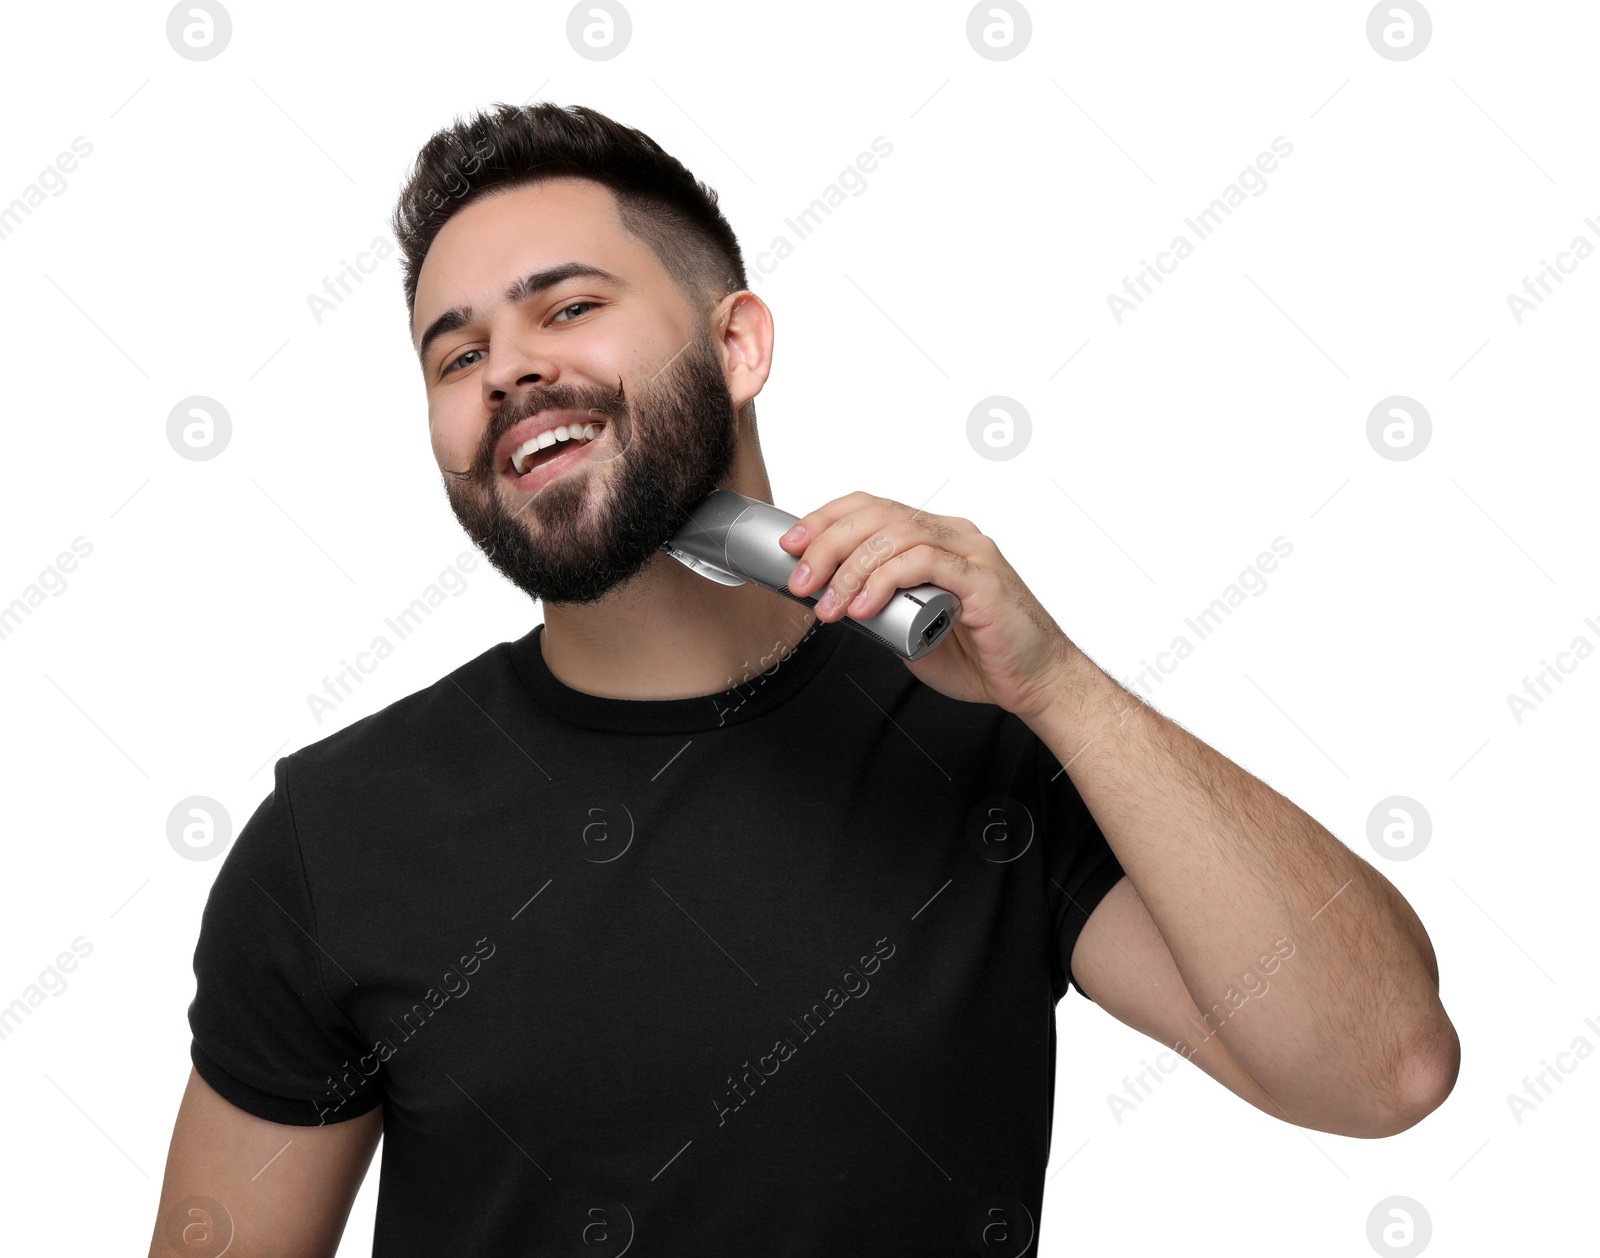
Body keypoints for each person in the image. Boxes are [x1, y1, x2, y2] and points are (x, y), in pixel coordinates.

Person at [147, 103, 1459, 1256]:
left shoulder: (984, 748)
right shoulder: (338, 833)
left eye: (569, 305)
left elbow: (1385, 1068)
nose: (508, 369)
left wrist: (1056, 683)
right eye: (455, 352)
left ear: (740, 346)